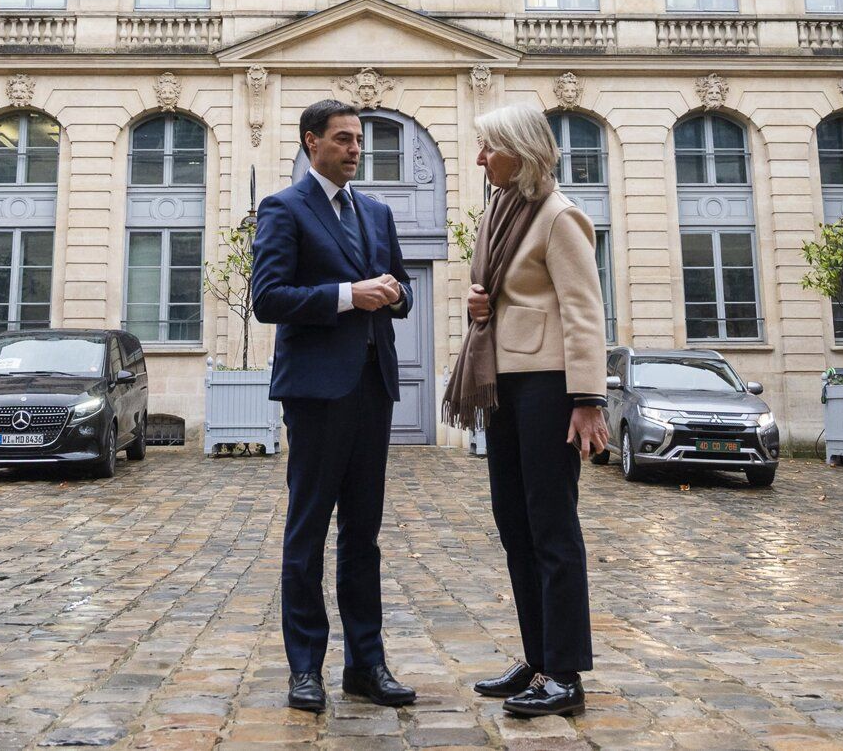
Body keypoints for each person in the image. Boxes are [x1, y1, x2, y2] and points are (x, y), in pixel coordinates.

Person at [445, 102, 609, 718]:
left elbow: (585, 310)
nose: (480, 158)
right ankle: (538, 657)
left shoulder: (558, 216)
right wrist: (478, 307)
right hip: (506, 384)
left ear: (520, 150)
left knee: (552, 530)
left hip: (549, 387)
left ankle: (565, 673)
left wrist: (588, 399)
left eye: (489, 147)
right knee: (515, 526)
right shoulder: (499, 211)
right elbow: (500, 296)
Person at [251, 100, 416, 713]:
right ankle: (305, 670)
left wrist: (392, 292)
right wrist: (350, 294)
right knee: (309, 531)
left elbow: (398, 285)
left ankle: (366, 666)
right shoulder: (284, 208)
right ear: (310, 142)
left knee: (364, 536)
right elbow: (268, 298)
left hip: (372, 387)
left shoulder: (376, 211)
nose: (356, 149)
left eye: (359, 141)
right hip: (317, 393)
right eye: (344, 139)